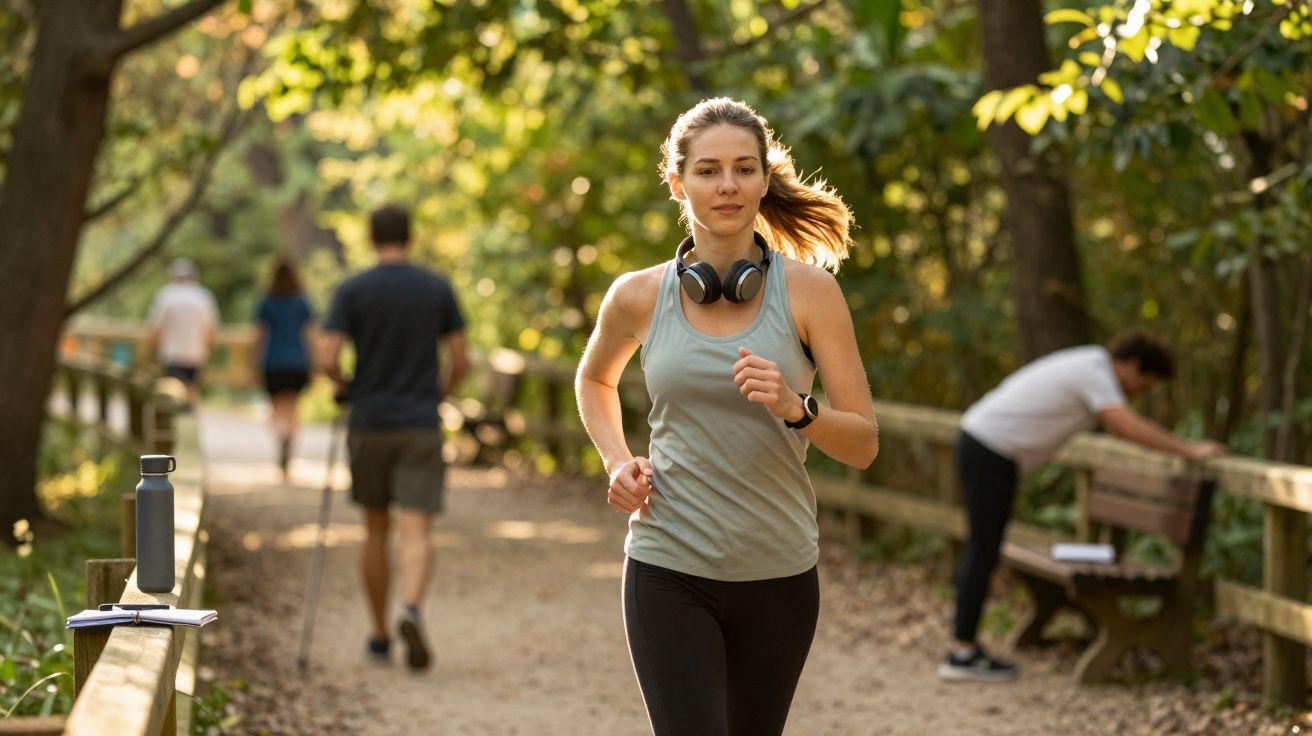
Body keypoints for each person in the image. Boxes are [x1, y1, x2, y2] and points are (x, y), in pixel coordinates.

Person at [575, 97, 879, 736]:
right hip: (668, 564)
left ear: (766, 180)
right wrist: (616, 460)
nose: (728, 185)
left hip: (780, 572)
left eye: (745, 169)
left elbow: (863, 445)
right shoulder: (636, 296)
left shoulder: (811, 294)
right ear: (677, 180)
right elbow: (595, 378)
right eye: (709, 170)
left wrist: (797, 409)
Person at [940, 332, 1229, 683]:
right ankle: (962, 651)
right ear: (1132, 365)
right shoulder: (1096, 373)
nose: (1139, 392)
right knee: (983, 550)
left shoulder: (1088, 362)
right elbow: (1126, 427)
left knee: (982, 548)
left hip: (985, 445)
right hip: (990, 450)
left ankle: (963, 646)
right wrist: (1189, 450)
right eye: (1145, 383)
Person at [319, 204, 469, 671]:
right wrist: (438, 394)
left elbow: (327, 356)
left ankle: (380, 635)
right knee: (417, 528)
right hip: (419, 423)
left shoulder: (353, 289)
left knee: (375, 528)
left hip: (369, 421)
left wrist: (346, 386)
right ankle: (411, 608)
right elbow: (460, 358)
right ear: (411, 236)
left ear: (370, 238)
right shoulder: (435, 288)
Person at [253, 259, 314, 480]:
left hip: (273, 362)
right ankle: (290, 444)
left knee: (277, 409)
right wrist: (312, 363)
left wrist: (254, 364)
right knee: (293, 409)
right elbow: (309, 336)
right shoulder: (301, 302)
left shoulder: (268, 302)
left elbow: (259, 336)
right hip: (297, 362)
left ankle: (281, 436)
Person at [148, 257, 219, 406]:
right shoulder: (203, 297)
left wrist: (151, 351)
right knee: (192, 392)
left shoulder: (165, 296)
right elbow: (211, 329)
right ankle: (191, 421)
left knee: (172, 394)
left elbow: (155, 329)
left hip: (172, 354)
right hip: (196, 353)